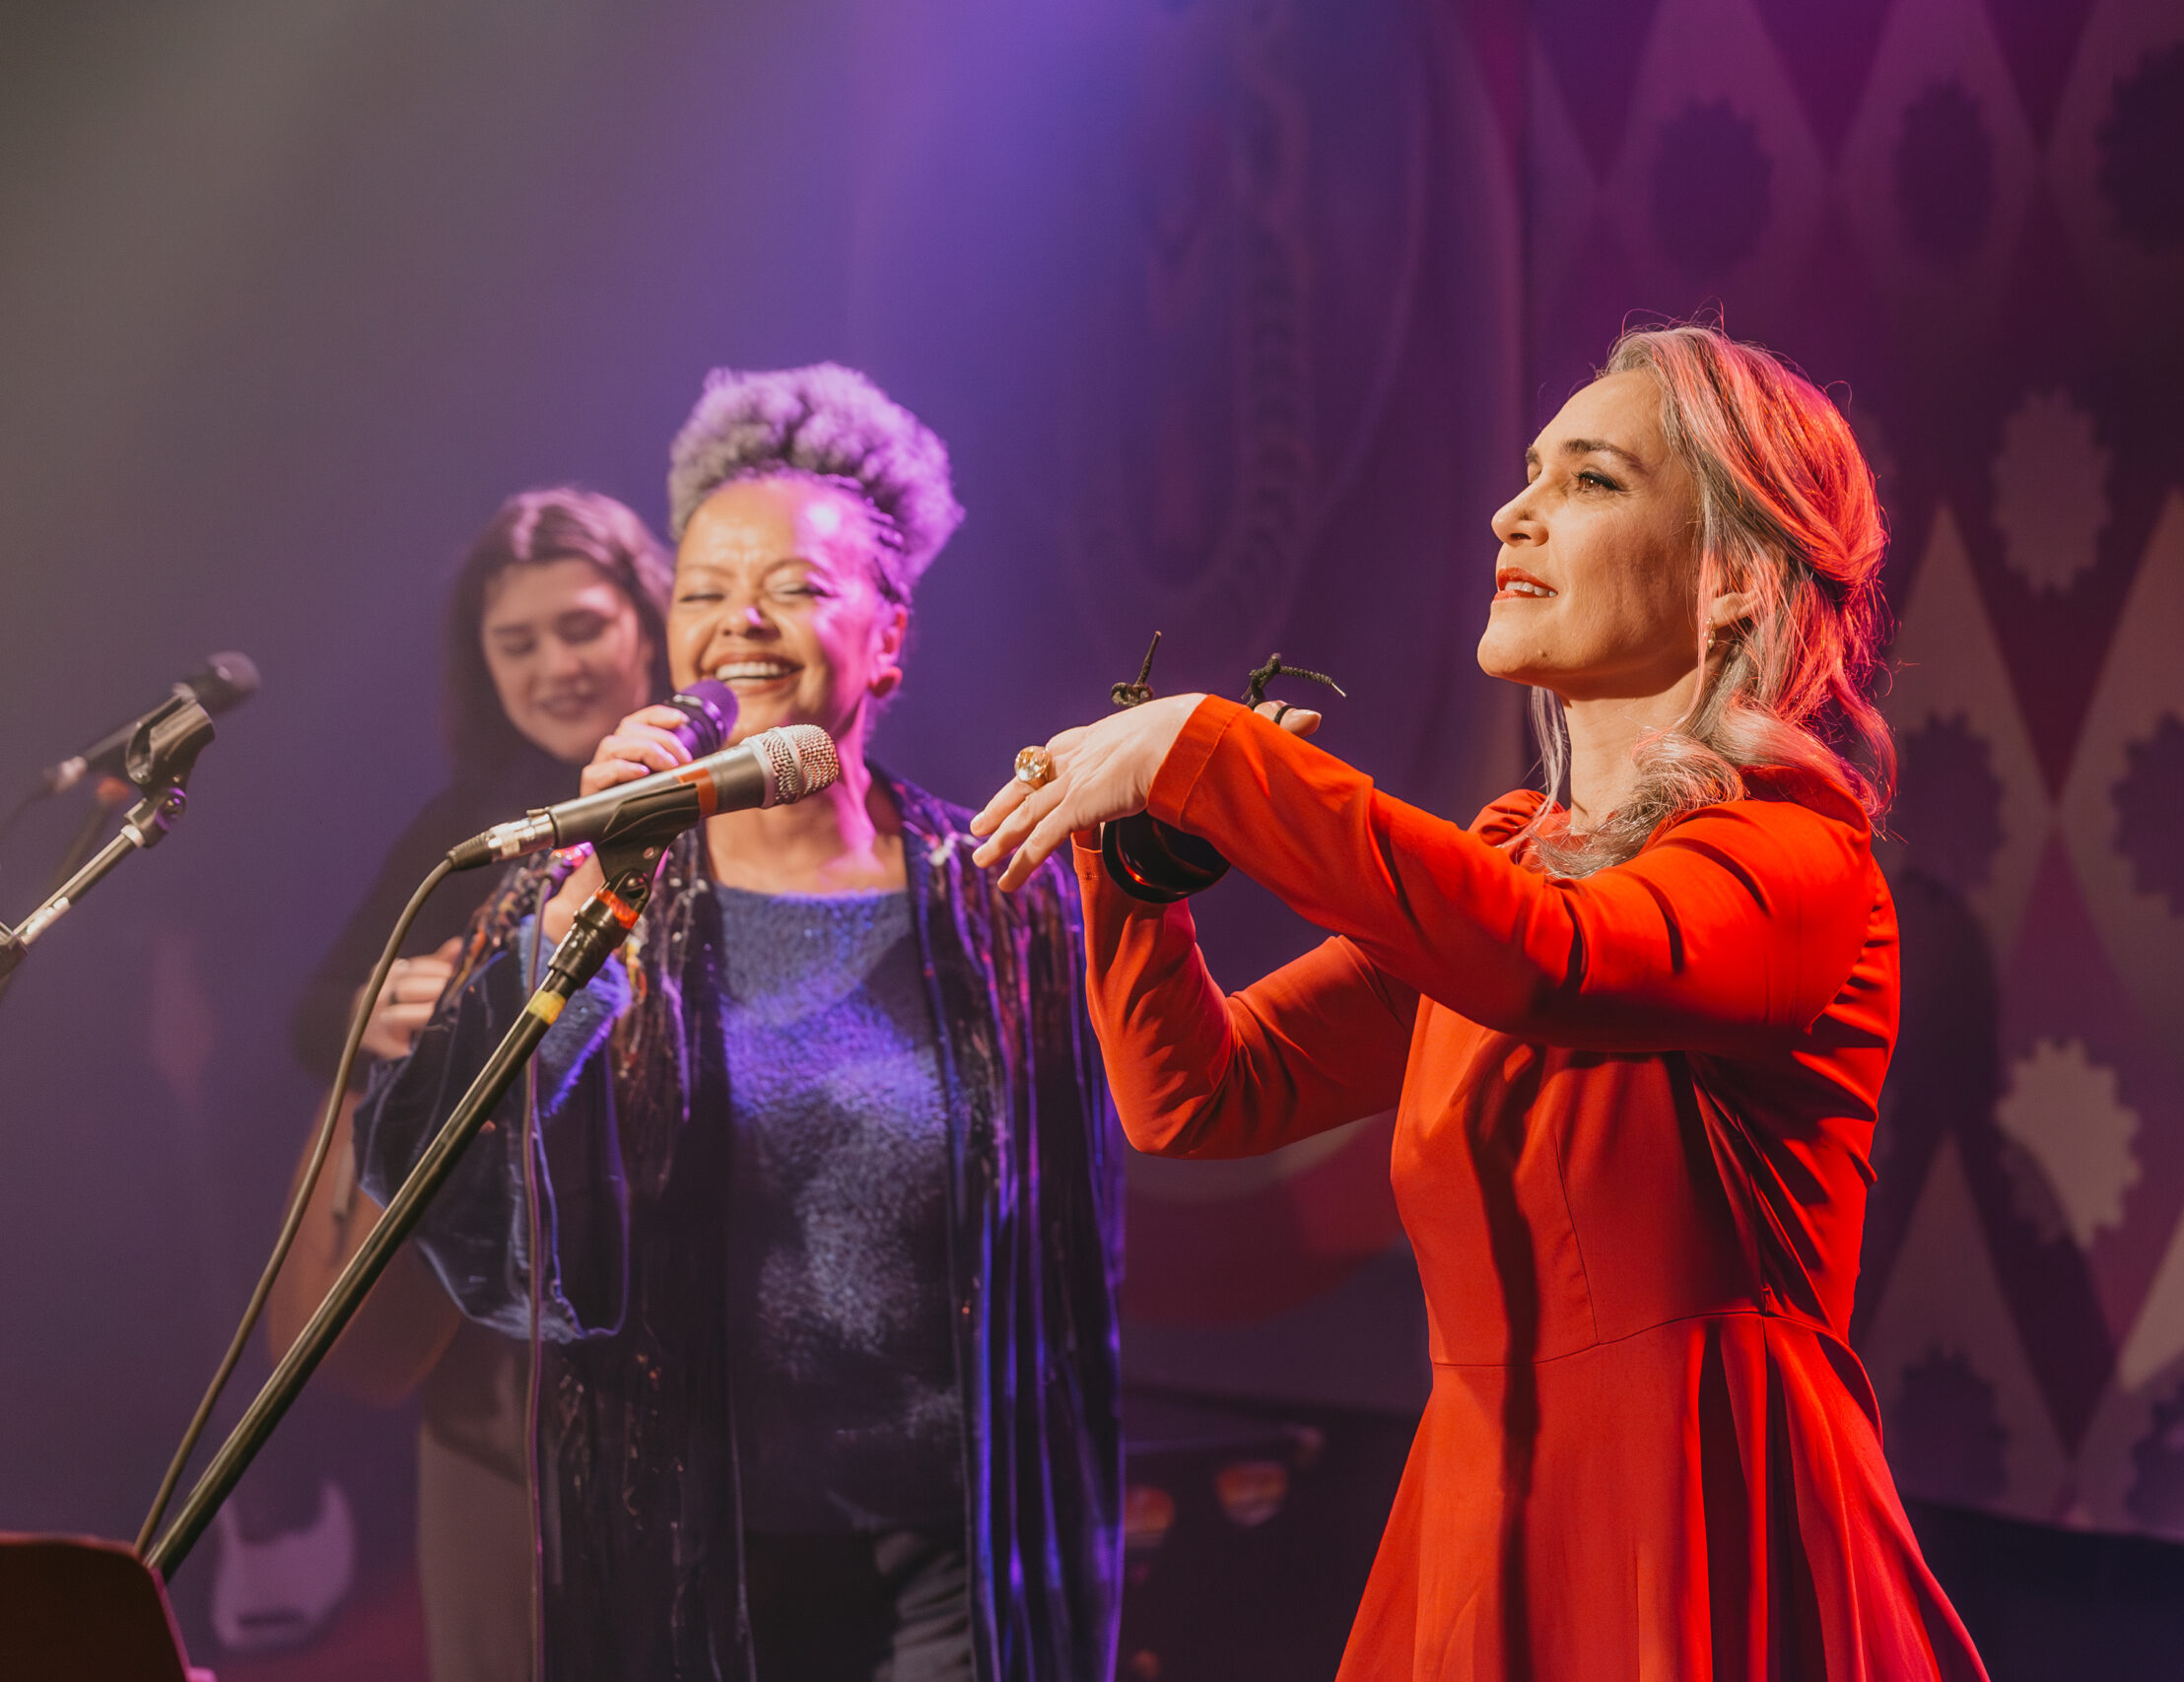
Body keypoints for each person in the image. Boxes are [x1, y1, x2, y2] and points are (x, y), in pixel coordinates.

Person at [974, 324, 1989, 1679]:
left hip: (1697, 1505)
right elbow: (1200, 1096)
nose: (1514, 512)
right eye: (1528, 473)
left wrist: (1213, 755)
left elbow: (1551, 960)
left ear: (1736, 579)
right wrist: (1143, 878)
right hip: (1479, 1506)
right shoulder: (1511, 864)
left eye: (1593, 479)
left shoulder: (1796, 857)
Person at [360, 365, 1125, 1682]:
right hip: (692, 1562)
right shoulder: (581, 889)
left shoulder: (1003, 892)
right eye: (704, 592)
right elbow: (455, 1175)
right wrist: (593, 897)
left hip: (956, 1551)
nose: (741, 623)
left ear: (889, 635)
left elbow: (1072, 1248)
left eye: (796, 587)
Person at [273, 488, 672, 1682]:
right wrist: (374, 1006)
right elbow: (313, 1017)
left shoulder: (721, 796)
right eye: (518, 643)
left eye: (581, 627)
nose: (554, 666)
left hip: (668, 1326)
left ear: (648, 621)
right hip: (491, 1350)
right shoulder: (467, 825)